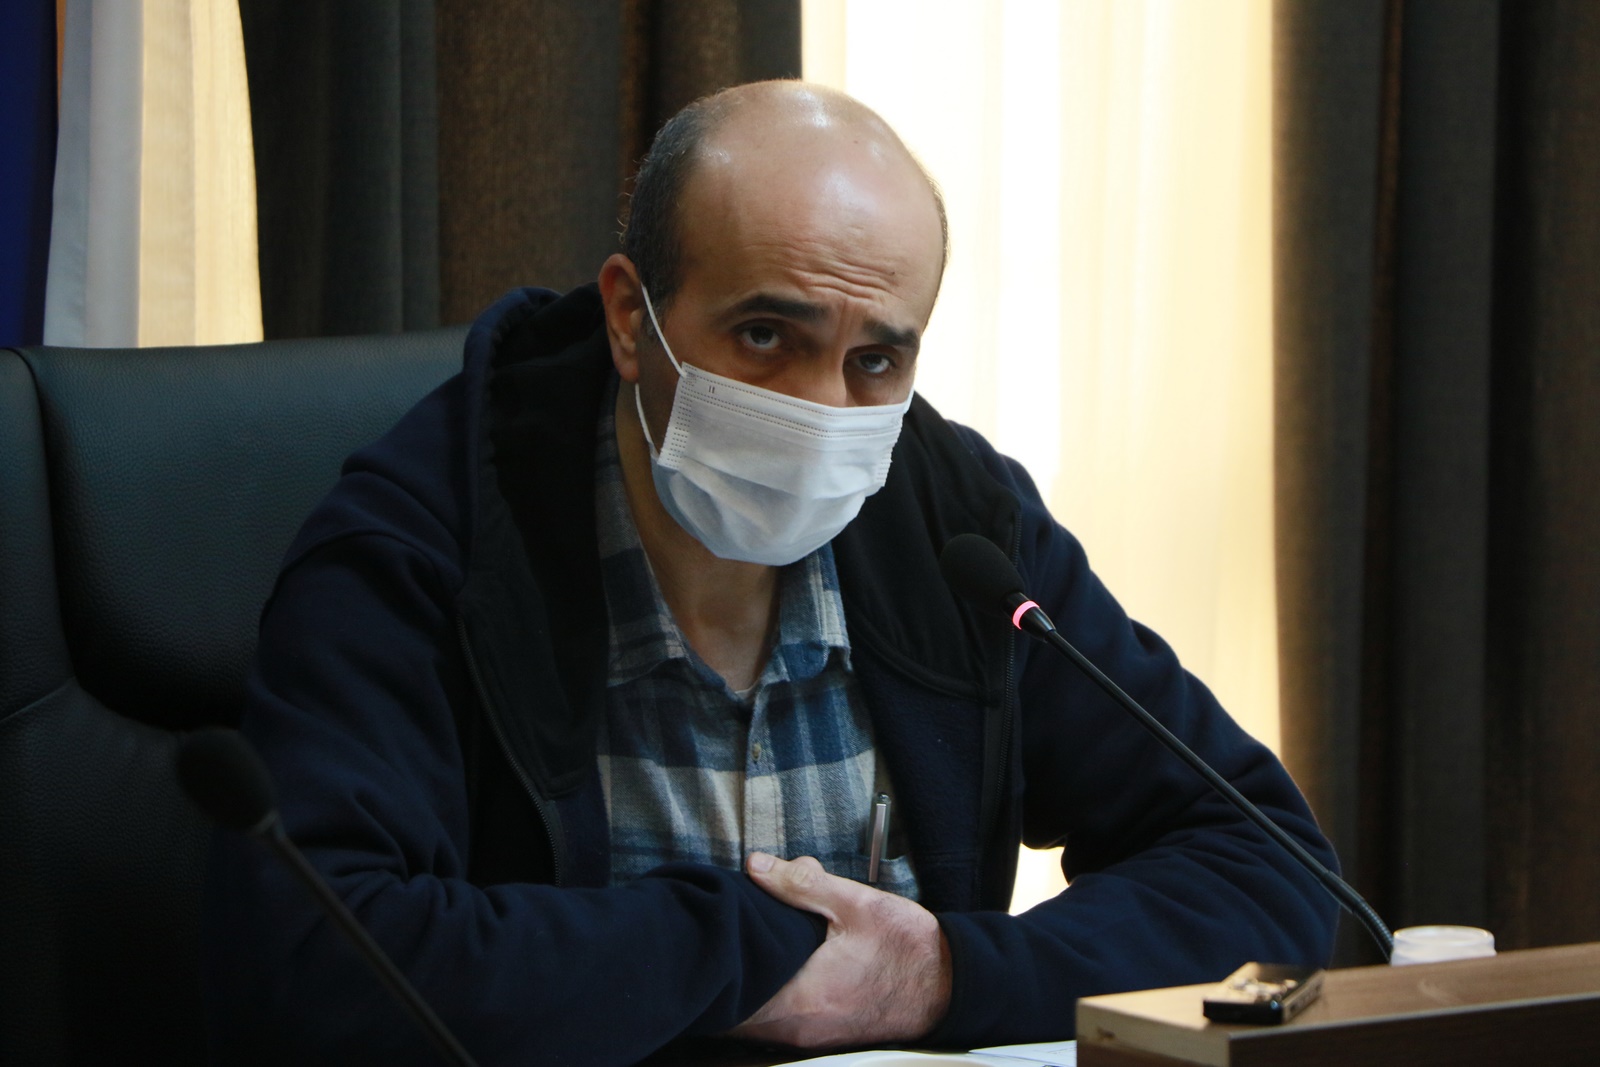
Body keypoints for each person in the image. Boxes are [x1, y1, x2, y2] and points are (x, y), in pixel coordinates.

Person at [204, 81, 1337, 1065]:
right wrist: (752, 946)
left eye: (874, 358)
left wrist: (939, 974)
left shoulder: (958, 524)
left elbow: (1269, 863)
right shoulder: (425, 540)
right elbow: (310, 962)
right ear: (629, 318)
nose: (819, 408)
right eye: (763, 336)